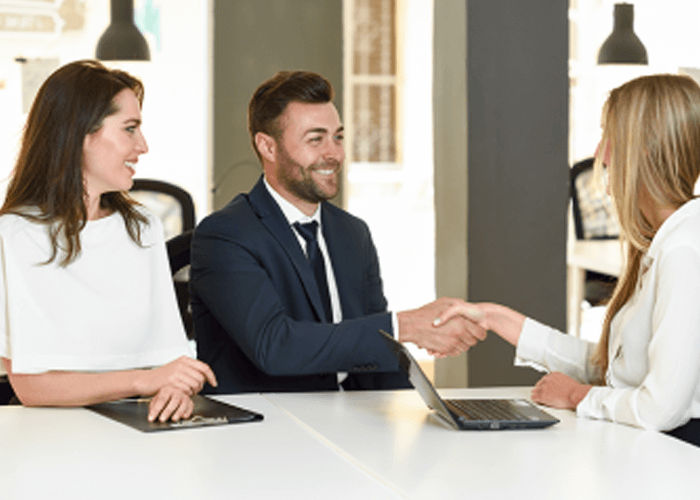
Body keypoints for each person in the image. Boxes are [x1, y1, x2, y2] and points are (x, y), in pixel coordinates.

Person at [435, 74, 700, 447]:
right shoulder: (663, 242)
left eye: (609, 136)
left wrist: (578, 397)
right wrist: (497, 318)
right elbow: (615, 368)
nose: (600, 153)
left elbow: (661, 408)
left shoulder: (683, 250)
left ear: (645, 148)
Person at [191, 70, 483, 394]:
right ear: (268, 147)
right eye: (316, 139)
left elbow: (380, 354)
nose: (334, 154)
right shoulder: (225, 235)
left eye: (338, 137)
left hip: (349, 421)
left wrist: (421, 412)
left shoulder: (352, 234)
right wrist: (405, 326)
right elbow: (275, 346)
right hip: (265, 428)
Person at [0, 60, 216, 423]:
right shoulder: (16, 235)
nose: (142, 146)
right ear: (79, 133)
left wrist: (174, 390)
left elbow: (168, 360)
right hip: (46, 438)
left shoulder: (142, 227)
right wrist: (145, 380)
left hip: (138, 429)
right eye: (129, 129)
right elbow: (32, 388)